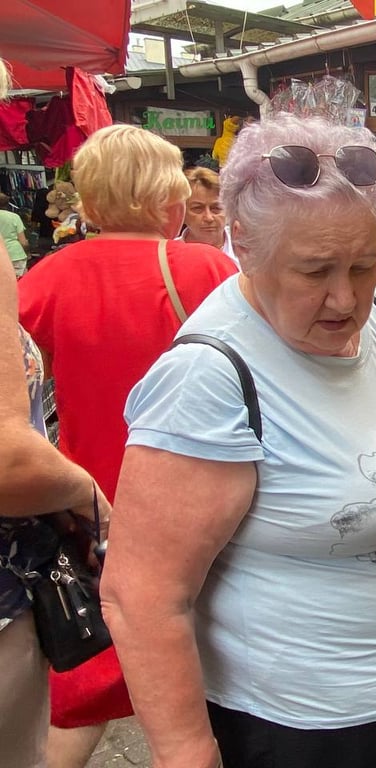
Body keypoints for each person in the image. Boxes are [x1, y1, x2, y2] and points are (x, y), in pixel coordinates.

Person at [102, 114, 376, 768]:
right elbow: (140, 597)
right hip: (306, 726)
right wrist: (187, 751)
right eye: (314, 271)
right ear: (245, 246)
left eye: (364, 265)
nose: (345, 298)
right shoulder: (209, 378)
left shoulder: (375, 314)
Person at [17, 124, 238, 768]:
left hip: (91, 506)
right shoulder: (207, 270)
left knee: (92, 671)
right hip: (197, 495)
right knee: (207, 657)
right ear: (166, 198)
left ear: (90, 200)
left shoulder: (45, 279)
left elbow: (25, 384)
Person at [0, 58, 113, 768]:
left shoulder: (47, 274)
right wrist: (80, 492)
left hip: (80, 452)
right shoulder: (211, 274)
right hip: (78, 491)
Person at [179, 166, 239, 267]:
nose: (209, 218)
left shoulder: (250, 252)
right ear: (182, 213)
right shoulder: (166, 258)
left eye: (216, 208)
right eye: (197, 208)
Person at [0, 193, 30, 277]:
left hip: (2, 256)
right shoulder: (14, 217)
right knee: (19, 281)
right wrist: (27, 253)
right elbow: (23, 241)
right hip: (16, 254)